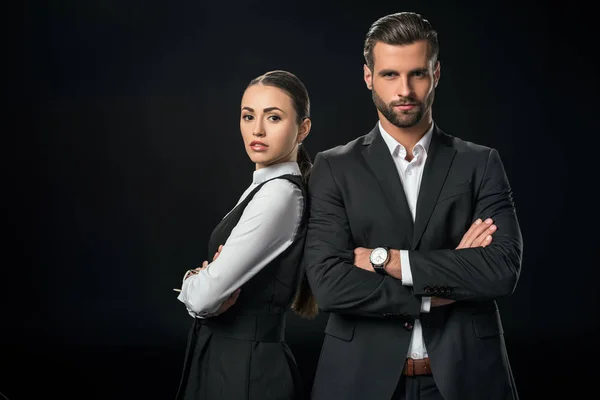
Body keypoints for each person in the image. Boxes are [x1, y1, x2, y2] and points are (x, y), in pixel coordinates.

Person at [303, 11, 522, 400]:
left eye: (417, 74)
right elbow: (329, 285)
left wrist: (387, 260)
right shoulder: (334, 167)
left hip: (467, 377)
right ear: (369, 76)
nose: (404, 89)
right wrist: (442, 285)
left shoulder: (480, 162)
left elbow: (501, 269)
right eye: (390, 75)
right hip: (359, 381)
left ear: (435, 74)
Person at [174, 70, 318, 400]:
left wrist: (196, 279)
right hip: (231, 363)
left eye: (274, 117)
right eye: (248, 116)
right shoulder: (265, 187)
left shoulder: (279, 195)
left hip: (247, 373)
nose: (257, 130)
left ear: (303, 129)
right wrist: (207, 279)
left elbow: (203, 298)